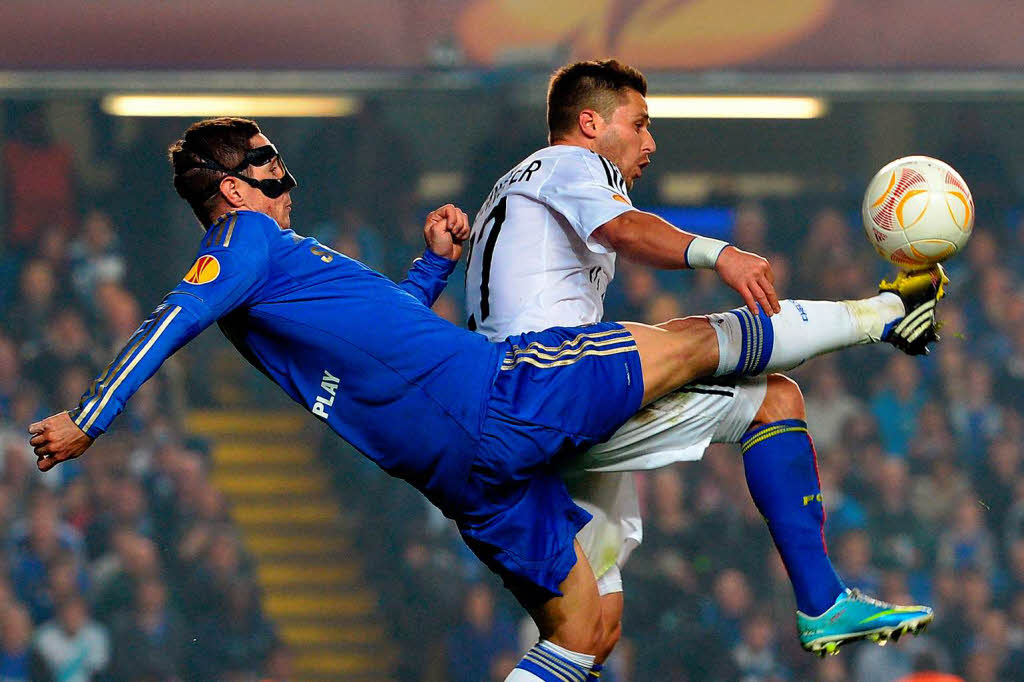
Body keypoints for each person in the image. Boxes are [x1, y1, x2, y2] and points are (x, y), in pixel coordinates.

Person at [29, 117, 939, 681]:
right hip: (494, 398)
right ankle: (886, 311)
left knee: (586, 630)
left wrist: (433, 262)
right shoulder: (242, 244)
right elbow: (172, 315)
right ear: (229, 188)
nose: (285, 174)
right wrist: (89, 418)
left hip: (459, 475)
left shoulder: (280, 271)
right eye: (266, 162)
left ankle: (824, 589)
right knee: (697, 340)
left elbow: (384, 329)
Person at [464, 58, 939, 674]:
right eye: (639, 124)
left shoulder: (509, 189)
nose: (649, 143)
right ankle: (886, 315)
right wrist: (720, 254)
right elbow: (627, 229)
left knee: (590, 632)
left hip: (514, 413)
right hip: (550, 385)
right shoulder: (569, 163)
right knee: (758, 386)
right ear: (589, 124)